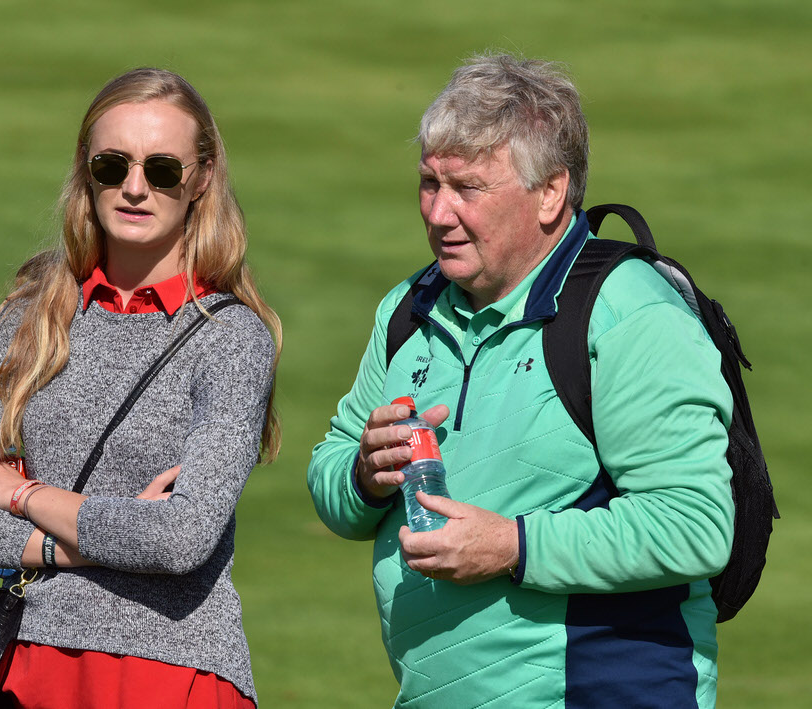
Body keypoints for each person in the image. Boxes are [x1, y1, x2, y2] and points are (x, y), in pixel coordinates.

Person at [307, 53, 734, 708]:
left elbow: (694, 522)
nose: (439, 213)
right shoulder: (408, 310)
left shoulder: (627, 312)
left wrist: (512, 544)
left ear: (551, 193)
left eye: (468, 188)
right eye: (429, 182)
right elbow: (332, 477)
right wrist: (363, 474)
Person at [0, 67, 280, 708]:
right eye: (113, 165)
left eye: (162, 170)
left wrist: (23, 494)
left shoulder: (232, 338)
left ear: (200, 180)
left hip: (169, 667)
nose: (135, 188)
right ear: (87, 172)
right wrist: (73, 547)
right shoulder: (34, 314)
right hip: (25, 662)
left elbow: (181, 538)